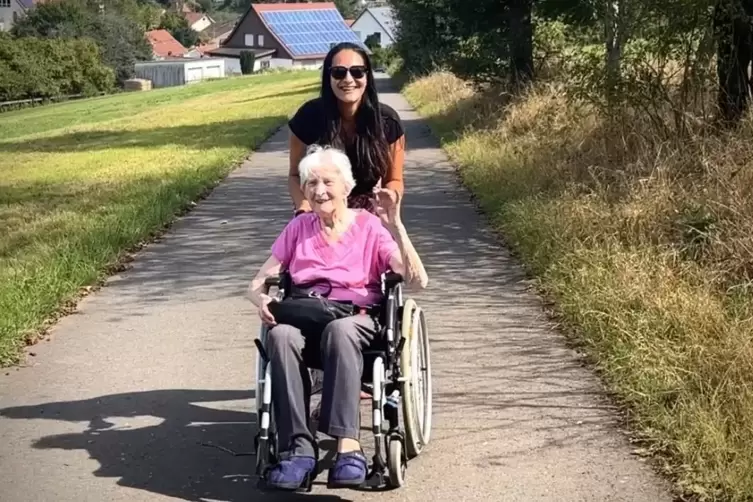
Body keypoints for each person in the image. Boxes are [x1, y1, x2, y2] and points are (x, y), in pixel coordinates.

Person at [248, 145, 428, 491]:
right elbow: (255, 283)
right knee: (281, 337)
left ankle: (349, 447)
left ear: (346, 186)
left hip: (357, 320)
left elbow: (417, 281)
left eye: (327, 182)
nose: (318, 191)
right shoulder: (299, 227)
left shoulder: (370, 227)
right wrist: (262, 300)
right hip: (304, 316)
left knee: (340, 330)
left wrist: (397, 226)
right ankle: (298, 449)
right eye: (310, 183)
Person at [287, 41, 406, 217]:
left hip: (369, 213)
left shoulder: (388, 122)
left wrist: (390, 197)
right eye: (339, 72)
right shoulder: (308, 117)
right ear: (329, 77)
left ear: (367, 76)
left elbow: (394, 180)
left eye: (357, 72)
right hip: (318, 208)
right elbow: (294, 176)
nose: (348, 80)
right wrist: (304, 208)